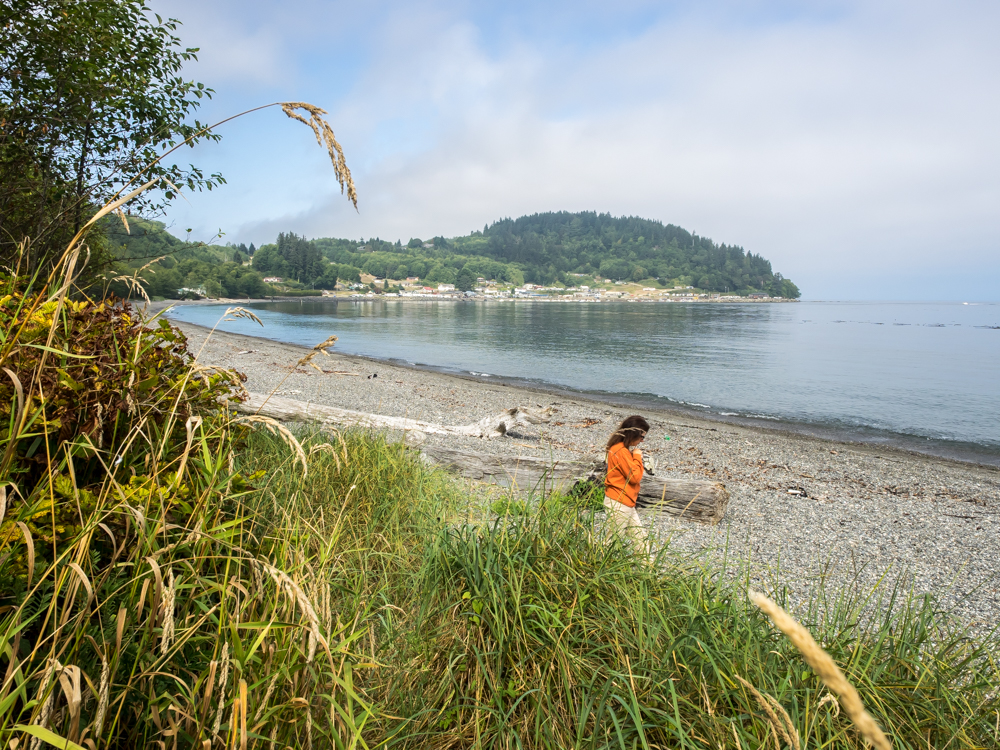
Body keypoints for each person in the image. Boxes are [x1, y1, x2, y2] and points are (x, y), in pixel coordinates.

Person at [604, 415, 650, 545]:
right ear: (633, 434)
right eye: (642, 437)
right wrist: (637, 457)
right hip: (619, 502)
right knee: (612, 543)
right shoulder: (620, 451)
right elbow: (635, 477)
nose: (642, 441)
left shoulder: (620, 449)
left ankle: (647, 559)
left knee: (641, 541)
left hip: (626, 502)